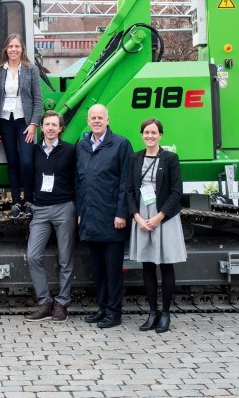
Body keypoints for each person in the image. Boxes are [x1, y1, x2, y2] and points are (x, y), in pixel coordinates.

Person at [127, 118, 186, 333]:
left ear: (160, 134)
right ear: (141, 134)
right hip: (142, 217)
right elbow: (129, 190)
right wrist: (137, 217)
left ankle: (166, 314)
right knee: (148, 266)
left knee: (166, 265)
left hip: (164, 217)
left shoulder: (170, 158)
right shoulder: (135, 158)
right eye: (146, 132)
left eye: (154, 132)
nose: (150, 136)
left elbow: (176, 191)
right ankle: (152, 312)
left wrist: (159, 216)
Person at [76, 103, 132, 328]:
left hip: (112, 218)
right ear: (88, 121)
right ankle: (102, 308)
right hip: (90, 217)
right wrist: (81, 212)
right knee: (97, 269)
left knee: (112, 269)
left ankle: (114, 312)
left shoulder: (120, 144)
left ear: (108, 120)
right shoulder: (82, 146)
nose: (97, 121)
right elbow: (78, 183)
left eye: (101, 117)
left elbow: (125, 182)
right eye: (93, 118)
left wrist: (121, 213)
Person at [25, 111, 77, 322]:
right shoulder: (34, 150)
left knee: (65, 259)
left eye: (55, 125)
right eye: (47, 124)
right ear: (42, 127)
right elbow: (28, 176)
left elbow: (77, 179)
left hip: (64, 207)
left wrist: (77, 207)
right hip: (40, 209)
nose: (51, 128)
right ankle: (45, 302)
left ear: (60, 128)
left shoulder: (70, 151)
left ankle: (62, 303)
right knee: (33, 256)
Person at [0, 33, 43, 217]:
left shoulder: (31, 70)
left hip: (25, 122)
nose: (14, 49)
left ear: (22, 49)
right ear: (6, 49)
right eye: (10, 46)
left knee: (27, 162)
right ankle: (16, 202)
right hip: (5, 121)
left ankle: (29, 199)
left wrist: (33, 124)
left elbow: (38, 100)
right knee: (12, 162)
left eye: (17, 46)